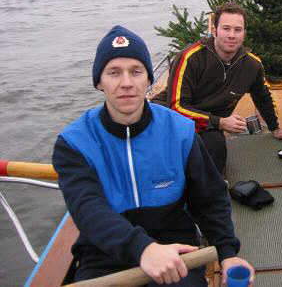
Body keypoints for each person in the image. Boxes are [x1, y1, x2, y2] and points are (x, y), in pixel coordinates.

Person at [52, 25, 254, 286]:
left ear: (148, 79)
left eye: (136, 72)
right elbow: (89, 210)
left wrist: (228, 253)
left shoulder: (179, 130)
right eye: (114, 72)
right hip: (104, 254)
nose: (126, 83)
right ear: (99, 82)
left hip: (176, 249)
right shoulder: (74, 142)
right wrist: (144, 249)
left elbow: (210, 198)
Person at [166, 2, 282, 174]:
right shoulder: (191, 58)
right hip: (174, 120)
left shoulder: (251, 65)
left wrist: (275, 128)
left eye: (237, 30)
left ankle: (213, 190)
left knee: (215, 145)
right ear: (214, 30)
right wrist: (221, 122)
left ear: (244, 34)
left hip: (210, 127)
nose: (232, 35)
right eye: (226, 28)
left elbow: (263, 97)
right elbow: (176, 108)